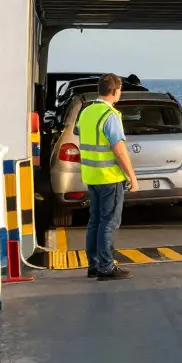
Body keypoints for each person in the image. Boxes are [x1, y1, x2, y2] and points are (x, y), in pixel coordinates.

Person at [76, 73, 139, 280]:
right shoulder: (110, 115)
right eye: (120, 89)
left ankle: (93, 265)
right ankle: (106, 267)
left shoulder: (86, 112)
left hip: (91, 176)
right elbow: (119, 151)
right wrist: (132, 177)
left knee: (95, 221)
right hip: (109, 177)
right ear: (114, 91)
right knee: (109, 222)